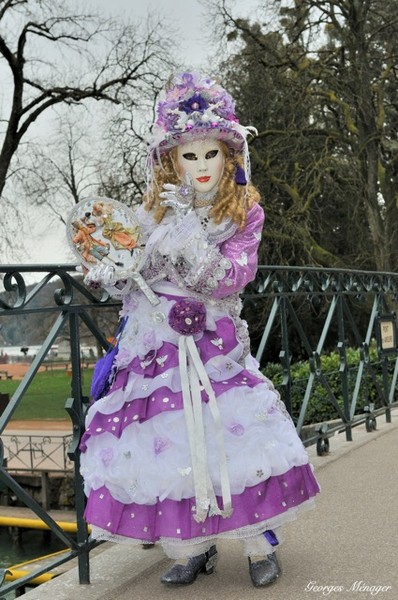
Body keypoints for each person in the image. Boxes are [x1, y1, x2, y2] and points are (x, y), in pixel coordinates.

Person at [79, 71, 320, 588]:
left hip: (214, 346)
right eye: (189, 156)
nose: (201, 166)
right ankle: (194, 547)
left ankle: (258, 547)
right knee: (174, 449)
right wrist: (114, 269)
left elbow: (230, 278)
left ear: (228, 156)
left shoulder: (244, 213)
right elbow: (139, 278)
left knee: (228, 438)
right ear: (170, 161)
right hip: (156, 349)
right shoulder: (150, 213)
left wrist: (188, 233)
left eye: (210, 154)